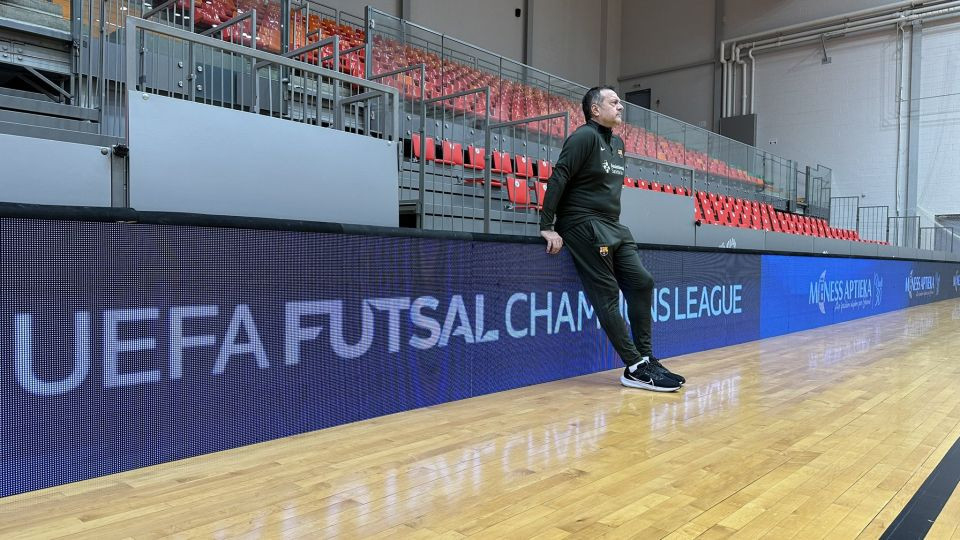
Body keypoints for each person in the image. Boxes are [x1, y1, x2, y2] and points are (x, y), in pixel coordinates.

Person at [539, 86, 685, 392]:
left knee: (642, 282)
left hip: (613, 226)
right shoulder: (584, 137)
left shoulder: (617, 144)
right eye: (614, 102)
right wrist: (548, 224)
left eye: (620, 102)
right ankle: (633, 368)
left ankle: (645, 357)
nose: (621, 107)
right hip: (583, 224)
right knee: (606, 294)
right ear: (595, 109)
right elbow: (560, 176)